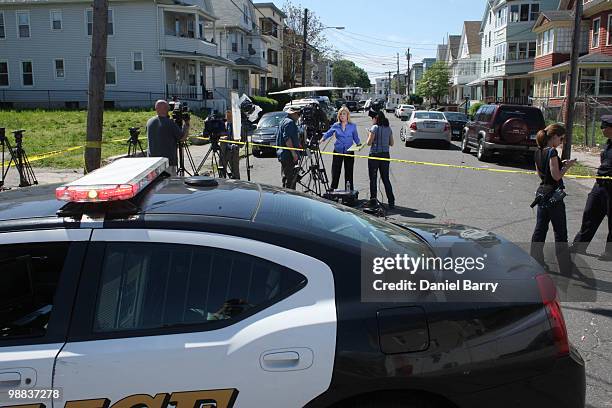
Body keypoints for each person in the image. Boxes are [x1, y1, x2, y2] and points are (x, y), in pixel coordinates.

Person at [531, 124, 576, 273]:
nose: (561, 142)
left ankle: (535, 260)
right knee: (560, 231)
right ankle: (565, 266)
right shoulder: (552, 151)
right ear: (554, 136)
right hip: (553, 196)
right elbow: (556, 176)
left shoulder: (538, 151)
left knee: (540, 229)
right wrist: (566, 167)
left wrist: (558, 165)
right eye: (561, 138)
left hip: (541, 193)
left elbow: (540, 173)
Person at [572, 115, 612, 260]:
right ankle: (579, 246)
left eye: (604, 127)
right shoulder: (608, 143)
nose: (601, 130)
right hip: (600, 185)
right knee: (590, 214)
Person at [146, 99, 190, 176]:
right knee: (169, 186)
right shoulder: (170, 123)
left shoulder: (149, 122)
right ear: (166, 109)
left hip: (152, 162)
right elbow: (182, 138)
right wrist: (186, 124)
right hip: (167, 162)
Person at [322, 106, 360, 190]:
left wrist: (359, 144)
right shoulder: (336, 125)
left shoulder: (353, 126)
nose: (342, 116)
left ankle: (349, 191)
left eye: (344, 114)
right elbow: (328, 133)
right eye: (340, 114)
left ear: (347, 115)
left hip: (349, 152)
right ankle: (333, 189)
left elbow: (356, 138)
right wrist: (322, 139)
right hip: (338, 151)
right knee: (336, 172)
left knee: (349, 173)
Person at [366, 111, 395, 209]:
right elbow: (391, 143)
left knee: (373, 179)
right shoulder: (388, 128)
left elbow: (369, 143)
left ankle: (373, 200)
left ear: (376, 118)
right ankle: (391, 201)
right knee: (386, 178)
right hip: (385, 155)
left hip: (375, 154)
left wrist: (368, 134)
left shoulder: (374, 128)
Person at [276, 106, 302, 189]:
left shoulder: (284, 120)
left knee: (286, 177)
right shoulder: (290, 122)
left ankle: (286, 195)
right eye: (298, 114)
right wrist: (294, 153)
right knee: (290, 179)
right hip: (288, 155)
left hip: (283, 154)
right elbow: (287, 139)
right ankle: (289, 197)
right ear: (293, 114)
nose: (299, 116)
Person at [220, 110, 240, 179]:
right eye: (227, 115)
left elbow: (243, 136)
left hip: (234, 149)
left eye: (229, 115)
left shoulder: (236, 125)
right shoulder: (223, 124)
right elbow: (219, 134)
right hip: (223, 149)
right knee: (222, 168)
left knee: (235, 169)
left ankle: (237, 183)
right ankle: (222, 182)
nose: (228, 117)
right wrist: (221, 137)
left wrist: (238, 144)